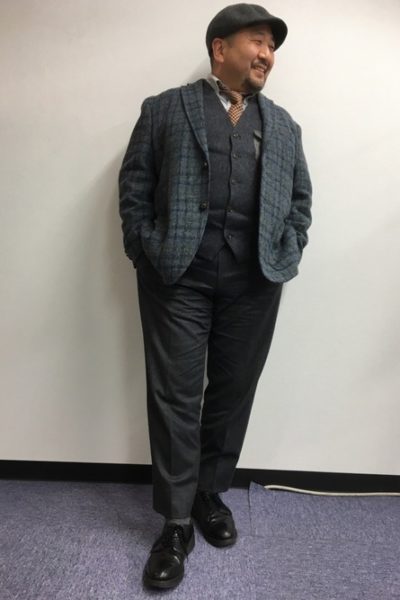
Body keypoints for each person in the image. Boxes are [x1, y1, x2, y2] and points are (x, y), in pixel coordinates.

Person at [119, 2, 312, 590]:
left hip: (255, 281)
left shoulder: (284, 126)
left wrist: (288, 247)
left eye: (272, 47)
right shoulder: (163, 109)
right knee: (175, 396)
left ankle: (208, 492)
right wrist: (144, 246)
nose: (267, 55)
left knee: (232, 393)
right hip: (178, 276)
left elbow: (300, 201)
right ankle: (175, 523)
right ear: (219, 48)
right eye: (258, 41)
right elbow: (135, 184)